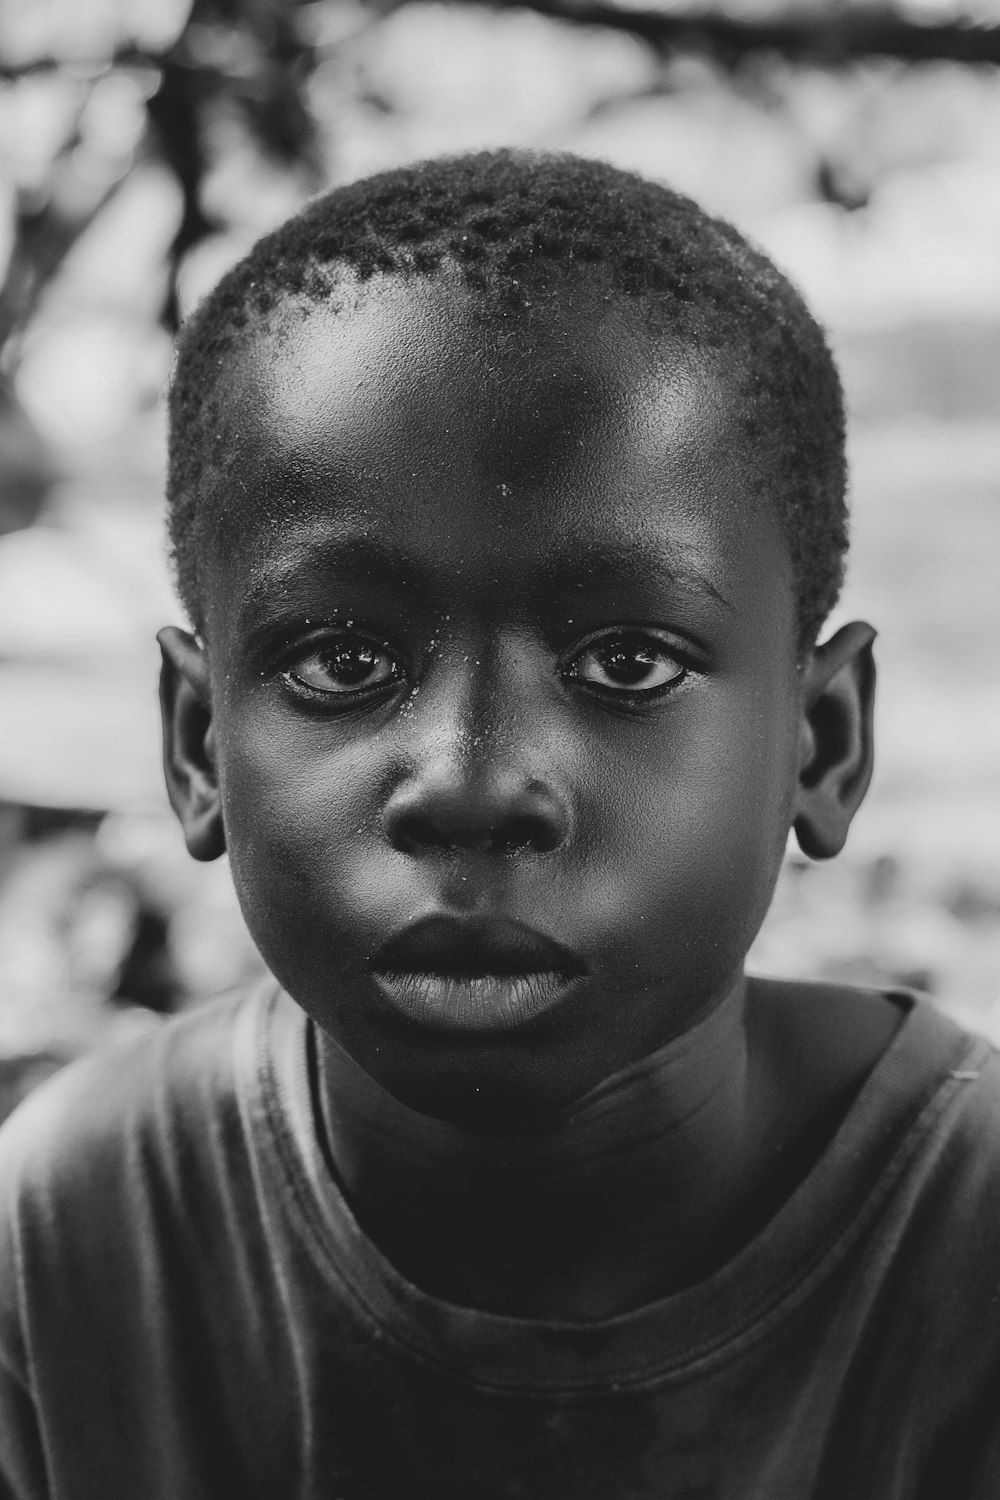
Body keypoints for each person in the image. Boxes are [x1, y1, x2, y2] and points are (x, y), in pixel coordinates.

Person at [0, 150, 997, 1500]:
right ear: (197, 746)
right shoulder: (70, 1242)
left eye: (629, 662)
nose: (472, 785)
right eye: (342, 661)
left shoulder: (965, 1257)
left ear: (820, 744)